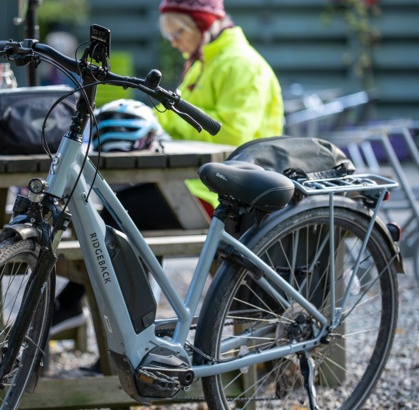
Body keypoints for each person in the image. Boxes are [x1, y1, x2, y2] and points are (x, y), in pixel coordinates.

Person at [51, 0, 285, 369]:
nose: (174, 42)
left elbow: (233, 135)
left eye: (179, 32)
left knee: (120, 217)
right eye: (170, 35)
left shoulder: (239, 64)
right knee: (121, 214)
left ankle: (116, 337)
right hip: (197, 186)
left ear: (202, 24)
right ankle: (127, 337)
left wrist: (159, 127)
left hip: (223, 195)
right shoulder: (207, 59)